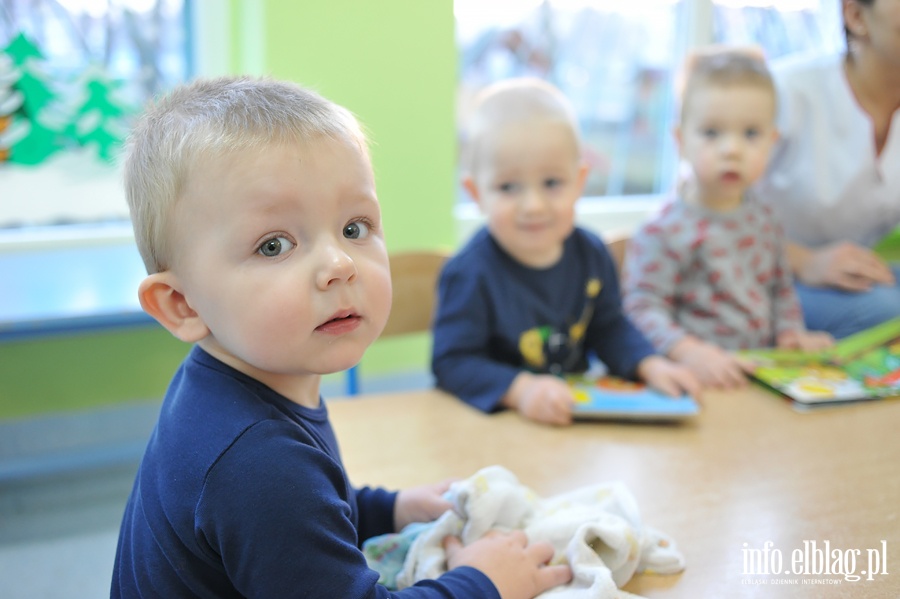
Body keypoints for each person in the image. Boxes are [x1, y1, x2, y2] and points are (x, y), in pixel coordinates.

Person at [111, 76, 573, 598]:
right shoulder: (255, 463)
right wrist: (485, 582)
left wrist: (389, 509)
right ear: (183, 304)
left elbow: (313, 508)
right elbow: (288, 498)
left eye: (355, 228)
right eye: (274, 245)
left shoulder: (238, 389)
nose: (339, 264)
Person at [430, 77, 700, 427]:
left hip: (570, 421)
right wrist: (520, 389)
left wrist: (648, 362)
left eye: (552, 183)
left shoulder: (591, 253)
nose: (533, 205)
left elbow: (610, 328)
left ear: (579, 183)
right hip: (496, 427)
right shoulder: (468, 273)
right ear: (476, 192)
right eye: (508, 187)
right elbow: (452, 362)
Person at [622, 48, 834, 390]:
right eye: (711, 133)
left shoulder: (765, 219)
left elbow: (781, 291)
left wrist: (791, 333)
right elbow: (640, 311)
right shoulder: (664, 230)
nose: (732, 150)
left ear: (771, 141)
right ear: (680, 141)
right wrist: (689, 353)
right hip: (696, 382)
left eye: (750, 134)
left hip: (758, 378)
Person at [754, 0, 900, 339]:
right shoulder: (788, 91)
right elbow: (701, 210)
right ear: (855, 15)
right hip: (760, 270)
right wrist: (806, 261)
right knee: (886, 313)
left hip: (851, 275)